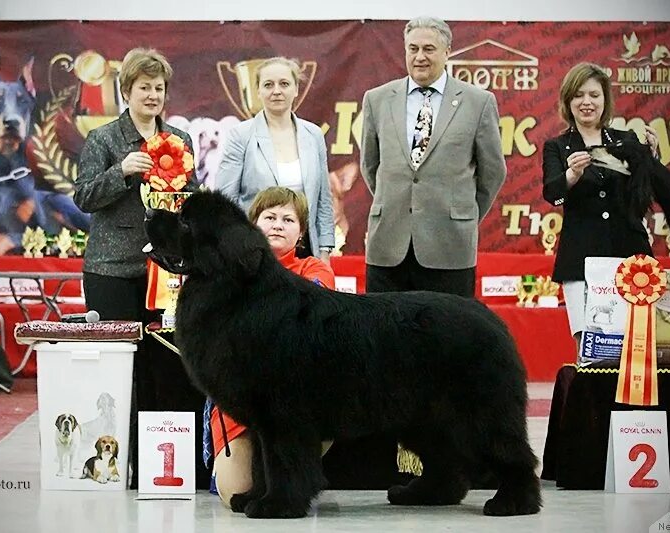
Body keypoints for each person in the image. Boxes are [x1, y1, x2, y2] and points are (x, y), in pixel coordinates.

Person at [73, 47, 197, 487]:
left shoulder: (180, 140)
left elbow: (190, 202)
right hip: (111, 272)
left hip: (165, 274)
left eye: (159, 87)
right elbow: (83, 195)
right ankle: (119, 466)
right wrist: (123, 171)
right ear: (126, 91)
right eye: (144, 87)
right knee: (118, 374)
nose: (152, 94)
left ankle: (166, 466)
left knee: (166, 367)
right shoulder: (103, 140)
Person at [204, 186, 335, 506]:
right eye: (270, 217)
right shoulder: (227, 273)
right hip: (241, 407)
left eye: (288, 219)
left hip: (298, 405)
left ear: (301, 232)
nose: (278, 224)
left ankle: (295, 477)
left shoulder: (315, 271)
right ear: (253, 225)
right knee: (237, 494)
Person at [360, 17, 506, 298]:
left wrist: (462, 214)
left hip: (450, 248)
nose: (420, 57)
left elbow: (493, 172)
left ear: (447, 51)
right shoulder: (376, 100)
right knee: (384, 338)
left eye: (429, 49)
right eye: (412, 49)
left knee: (448, 339)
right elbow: (370, 165)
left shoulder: (478, 102)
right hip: (388, 249)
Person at [542, 62, 658, 352]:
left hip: (630, 255)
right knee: (589, 352)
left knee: (636, 347)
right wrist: (571, 176)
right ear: (568, 101)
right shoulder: (557, 146)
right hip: (581, 258)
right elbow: (552, 194)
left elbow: (644, 193)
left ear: (605, 100)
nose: (587, 102)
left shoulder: (626, 140)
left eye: (594, 95)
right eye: (578, 95)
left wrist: (652, 163)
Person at [216, 57, 334, 264]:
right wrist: (237, 246)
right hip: (253, 251)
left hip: (304, 252)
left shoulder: (314, 135)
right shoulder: (240, 136)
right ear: (258, 91)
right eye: (268, 85)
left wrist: (324, 250)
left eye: (284, 84)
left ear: (296, 89)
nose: (276, 91)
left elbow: (323, 199)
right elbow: (225, 201)